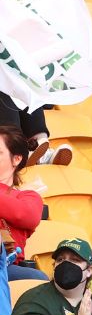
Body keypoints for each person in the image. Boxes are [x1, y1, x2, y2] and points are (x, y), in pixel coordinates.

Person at [0, 125, 43, 293]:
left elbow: (27, 215)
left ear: (16, 159)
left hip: (8, 267)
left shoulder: (27, 197)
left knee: (37, 279)